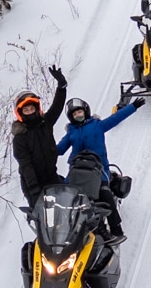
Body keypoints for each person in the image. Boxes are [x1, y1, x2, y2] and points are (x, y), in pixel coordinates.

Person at [58, 97, 143, 241]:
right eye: (74, 114)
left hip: (98, 170)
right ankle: (62, 232)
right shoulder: (71, 133)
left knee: (105, 195)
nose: (78, 115)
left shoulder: (97, 125)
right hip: (77, 171)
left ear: (85, 112)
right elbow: (58, 150)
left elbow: (115, 119)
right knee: (65, 198)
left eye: (79, 112)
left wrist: (133, 107)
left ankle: (116, 230)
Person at [12, 66, 66, 205]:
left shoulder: (45, 123)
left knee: (67, 209)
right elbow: (26, 165)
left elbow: (57, 107)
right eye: (26, 110)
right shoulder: (20, 137)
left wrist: (61, 86)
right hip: (34, 184)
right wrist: (35, 190)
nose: (30, 111)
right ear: (20, 112)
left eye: (32, 108)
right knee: (45, 221)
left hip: (51, 176)